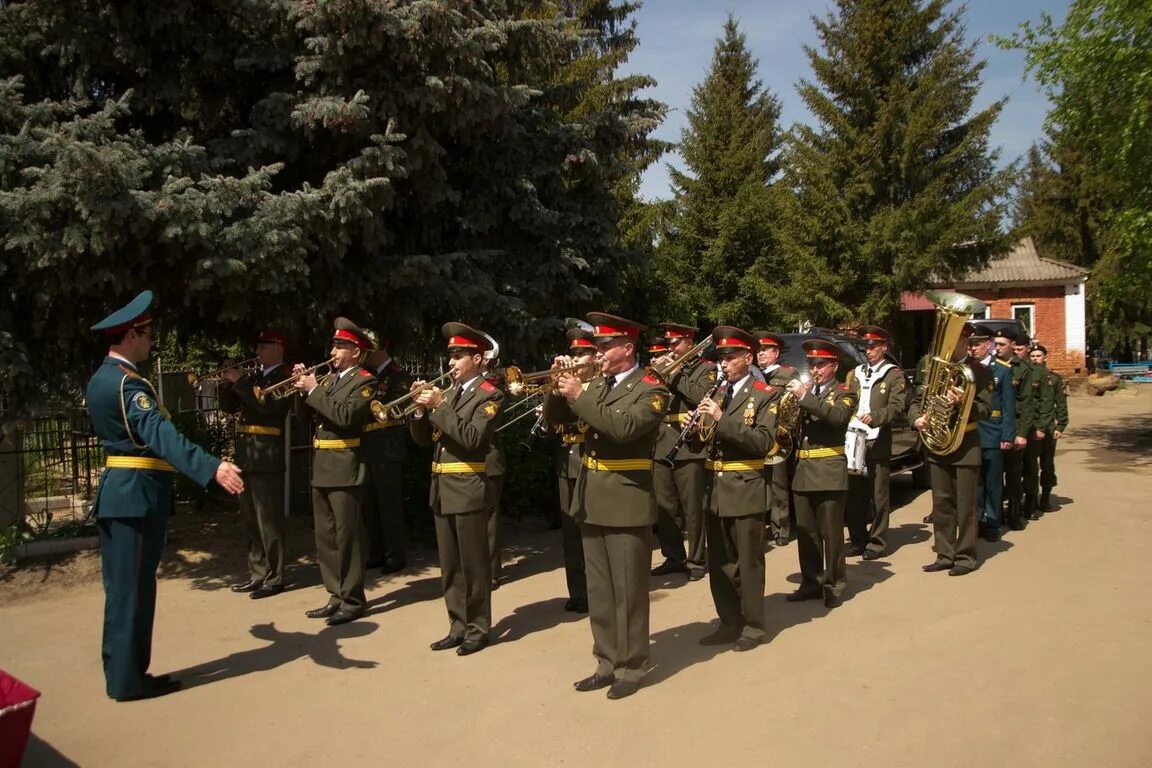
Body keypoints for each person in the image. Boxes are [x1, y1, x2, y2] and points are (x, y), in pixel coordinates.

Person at [86, 290, 244, 701]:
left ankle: (127, 672)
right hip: (134, 497)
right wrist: (212, 467)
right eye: (148, 332)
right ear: (131, 334)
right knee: (131, 591)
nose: (152, 340)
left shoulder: (103, 378)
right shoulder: (127, 385)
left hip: (124, 496)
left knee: (128, 589)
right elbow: (160, 435)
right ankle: (126, 681)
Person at [544, 313, 669, 699]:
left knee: (629, 589)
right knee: (600, 590)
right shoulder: (594, 383)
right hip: (592, 495)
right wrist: (555, 387)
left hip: (627, 497)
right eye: (595, 347)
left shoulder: (651, 388)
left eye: (604, 346)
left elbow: (623, 428)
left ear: (627, 348)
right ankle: (605, 660)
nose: (596, 354)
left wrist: (579, 394)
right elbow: (557, 421)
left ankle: (632, 665)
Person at [409, 323, 504, 656]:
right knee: (449, 566)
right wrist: (420, 412)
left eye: (459, 356)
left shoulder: (490, 394)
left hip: (468, 487)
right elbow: (424, 441)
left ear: (477, 359)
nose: (451, 363)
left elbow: (472, 440)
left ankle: (478, 628)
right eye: (450, 356)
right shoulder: (448, 394)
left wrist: (438, 408)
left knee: (474, 565)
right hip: (442, 487)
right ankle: (457, 625)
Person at [695, 327, 777, 652]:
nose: (723, 364)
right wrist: (694, 426)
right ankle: (729, 621)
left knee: (749, 562)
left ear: (748, 357)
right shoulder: (716, 392)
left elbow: (763, 442)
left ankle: (754, 626)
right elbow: (705, 439)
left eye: (730, 357)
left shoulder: (765, 394)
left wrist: (721, 419)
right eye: (721, 358)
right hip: (714, 489)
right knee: (720, 562)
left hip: (745, 488)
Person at [295, 318, 375, 625]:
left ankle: (353, 599)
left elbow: (344, 418)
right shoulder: (328, 380)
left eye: (341, 347)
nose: (334, 351)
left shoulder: (364, 382)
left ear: (356, 352)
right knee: (325, 538)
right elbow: (306, 417)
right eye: (334, 346)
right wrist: (302, 388)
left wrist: (314, 389)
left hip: (346, 465)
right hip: (322, 466)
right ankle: (335, 593)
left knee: (347, 537)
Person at [909, 323, 993, 576]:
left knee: (965, 504)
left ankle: (965, 556)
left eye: (954, 339)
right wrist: (916, 419)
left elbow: (986, 410)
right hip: (938, 444)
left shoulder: (980, 372)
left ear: (965, 342)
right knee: (942, 503)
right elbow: (916, 400)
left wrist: (963, 401)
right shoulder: (935, 369)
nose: (947, 344)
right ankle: (945, 554)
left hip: (965, 445)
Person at [219, 330, 294, 598]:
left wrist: (240, 383)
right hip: (246, 455)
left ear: (279, 347)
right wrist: (226, 383)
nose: (259, 350)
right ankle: (257, 573)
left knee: (269, 520)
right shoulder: (252, 377)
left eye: (264, 345)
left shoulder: (285, 377)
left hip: (267, 455)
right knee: (250, 519)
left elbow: (267, 407)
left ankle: (275, 577)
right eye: (258, 345)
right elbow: (228, 408)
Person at [785, 340, 857, 608]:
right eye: (811, 365)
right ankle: (811, 582)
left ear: (834, 366)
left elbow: (836, 417)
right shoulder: (807, 394)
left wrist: (804, 398)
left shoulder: (844, 393)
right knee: (807, 533)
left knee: (832, 535)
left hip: (829, 470)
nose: (814, 370)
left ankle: (834, 583)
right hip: (803, 470)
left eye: (820, 365)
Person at [651, 323, 715, 581]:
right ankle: (673, 556)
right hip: (661, 441)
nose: (670, 349)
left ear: (689, 342)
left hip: (689, 443)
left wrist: (675, 373)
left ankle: (697, 559)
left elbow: (701, 395)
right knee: (663, 505)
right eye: (668, 344)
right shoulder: (661, 370)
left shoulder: (707, 369)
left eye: (675, 343)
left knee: (692, 507)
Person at [843, 326, 906, 559]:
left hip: (877, 441)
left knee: (878, 495)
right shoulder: (855, 373)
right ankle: (858, 539)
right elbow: (848, 399)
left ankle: (877, 541)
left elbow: (898, 406)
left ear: (883, 348)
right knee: (854, 495)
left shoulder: (893, 374)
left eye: (872, 347)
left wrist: (877, 417)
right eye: (865, 348)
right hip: (854, 439)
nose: (868, 352)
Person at [549, 327, 598, 613]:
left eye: (583, 352)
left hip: (589, 458)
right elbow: (556, 419)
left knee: (589, 530)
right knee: (570, 532)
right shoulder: (568, 384)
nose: (577, 357)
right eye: (574, 352)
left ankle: (595, 590)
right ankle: (578, 591)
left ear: (595, 356)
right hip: (567, 459)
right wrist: (555, 387)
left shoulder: (602, 385)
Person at [360, 333, 413, 575]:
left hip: (387, 446)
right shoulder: (369, 375)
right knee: (370, 505)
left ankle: (395, 555)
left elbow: (398, 409)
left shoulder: (398, 373)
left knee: (388, 505)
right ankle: (377, 551)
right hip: (368, 445)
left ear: (376, 350)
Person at [753, 331, 799, 547]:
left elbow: (794, 407)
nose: (760, 354)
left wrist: (784, 433)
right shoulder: (752, 376)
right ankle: (760, 526)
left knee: (777, 484)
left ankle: (781, 529)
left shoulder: (787, 374)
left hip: (777, 437)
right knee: (758, 483)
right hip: (755, 435)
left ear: (776, 353)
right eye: (758, 350)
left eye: (765, 350)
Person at [970, 326, 1016, 541]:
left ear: (988, 345)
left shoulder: (1002, 370)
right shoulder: (967, 369)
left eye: (977, 344)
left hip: (993, 432)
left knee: (993, 483)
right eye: (970, 345)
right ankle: (978, 521)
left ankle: (993, 522)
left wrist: (1007, 436)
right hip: (971, 433)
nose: (973, 348)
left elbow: (1008, 407)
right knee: (976, 483)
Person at [994, 329, 1032, 530]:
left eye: (1001, 344)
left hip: (1015, 427)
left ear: (1011, 345)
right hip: (995, 428)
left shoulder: (1022, 369)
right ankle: (997, 513)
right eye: (996, 344)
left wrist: (1021, 433)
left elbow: (1026, 404)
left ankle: (1015, 513)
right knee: (994, 474)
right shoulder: (992, 366)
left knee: (1014, 473)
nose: (997, 348)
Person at [1028, 345, 1068, 512]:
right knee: (1030, 466)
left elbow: (1061, 403)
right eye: (1033, 355)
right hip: (1031, 426)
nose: (1035, 358)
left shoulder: (1054, 379)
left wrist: (1061, 425)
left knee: (1047, 464)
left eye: (1038, 355)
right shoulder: (1027, 376)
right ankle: (1029, 500)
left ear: (1045, 357)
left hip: (1049, 428)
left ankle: (1045, 498)